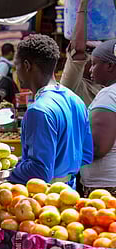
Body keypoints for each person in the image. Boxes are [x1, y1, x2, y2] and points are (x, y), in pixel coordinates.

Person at [9, 34, 93, 187]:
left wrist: (6, 171)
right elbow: (86, 155)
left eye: (17, 66)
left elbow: (39, 171)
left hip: (45, 199)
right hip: (70, 193)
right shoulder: (76, 101)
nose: (17, 72)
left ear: (27, 65)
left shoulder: (38, 111)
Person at [80, 39, 116, 196]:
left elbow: (97, 148)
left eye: (94, 64)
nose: (90, 70)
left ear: (109, 65)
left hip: (106, 188)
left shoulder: (108, 95)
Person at [60, 0, 103, 106]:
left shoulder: (105, 85)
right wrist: (83, 5)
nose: (91, 57)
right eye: (88, 51)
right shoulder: (73, 83)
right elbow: (78, 50)